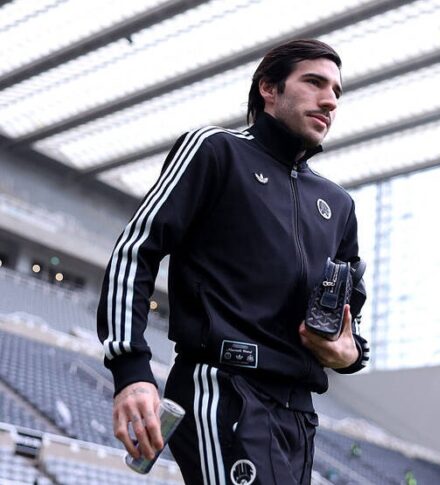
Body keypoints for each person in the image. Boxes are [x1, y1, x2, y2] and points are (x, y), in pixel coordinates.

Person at [97, 39, 369, 484]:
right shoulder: (214, 150)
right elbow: (136, 250)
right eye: (314, 83)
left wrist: (349, 353)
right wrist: (131, 370)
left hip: (300, 414)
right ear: (269, 88)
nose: (330, 101)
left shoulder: (338, 204)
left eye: (337, 91)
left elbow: (349, 320)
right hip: (224, 391)